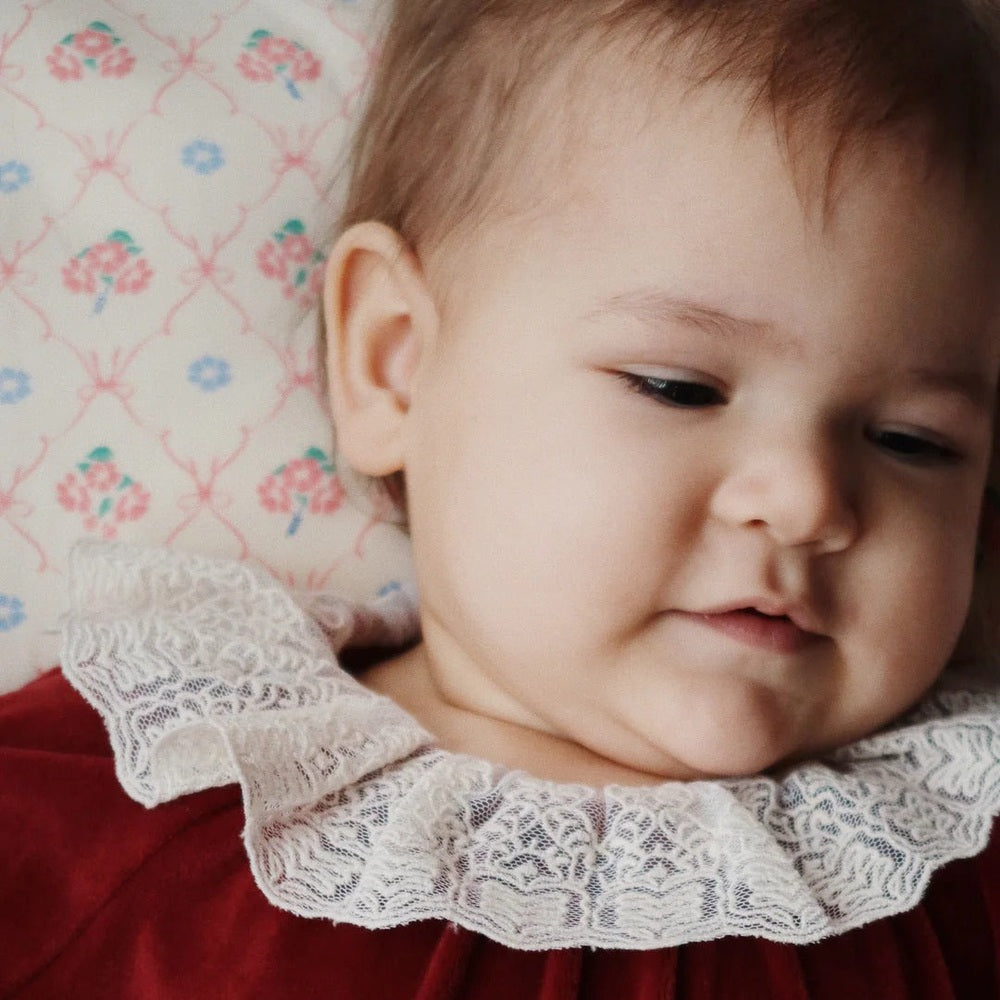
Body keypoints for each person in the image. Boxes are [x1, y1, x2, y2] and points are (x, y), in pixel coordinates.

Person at [2, 0, 1000, 994]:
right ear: (395, 366)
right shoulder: (143, 795)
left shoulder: (967, 845)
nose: (804, 500)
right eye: (677, 387)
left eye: (913, 443)